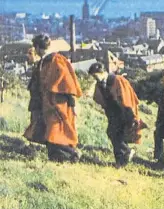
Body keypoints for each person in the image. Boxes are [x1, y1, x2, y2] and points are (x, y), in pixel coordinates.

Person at [30, 34, 82, 163]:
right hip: (48, 103)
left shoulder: (57, 60)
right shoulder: (44, 61)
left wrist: (73, 104)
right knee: (50, 132)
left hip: (59, 104)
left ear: (37, 47)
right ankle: (57, 159)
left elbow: (68, 83)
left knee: (56, 133)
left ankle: (72, 154)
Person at [90, 62, 146, 168]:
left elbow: (126, 98)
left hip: (124, 111)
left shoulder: (118, 80)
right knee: (113, 134)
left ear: (102, 72)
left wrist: (130, 115)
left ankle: (125, 154)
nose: (95, 78)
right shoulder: (100, 83)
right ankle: (121, 160)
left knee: (117, 134)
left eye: (95, 75)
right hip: (112, 113)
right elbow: (99, 98)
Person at [23, 47, 47, 144]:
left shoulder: (40, 66)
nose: (28, 56)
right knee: (35, 120)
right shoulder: (36, 66)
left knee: (38, 121)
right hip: (35, 99)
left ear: (36, 55)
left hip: (40, 100)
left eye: (30, 54)